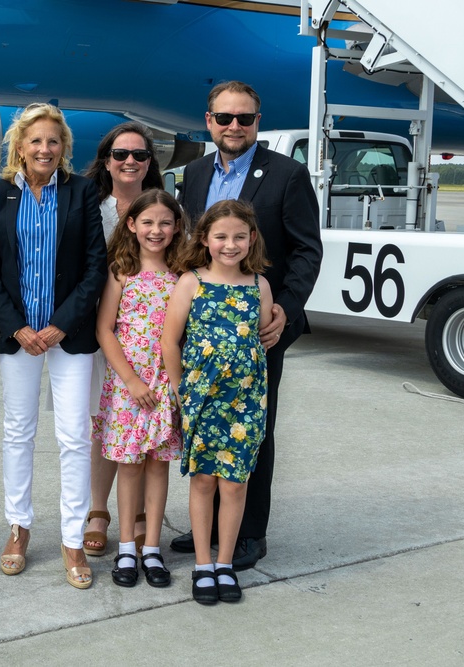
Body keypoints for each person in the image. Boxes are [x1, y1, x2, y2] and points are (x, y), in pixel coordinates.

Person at [169, 81, 322, 570]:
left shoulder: (288, 174)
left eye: (245, 118)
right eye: (225, 117)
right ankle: (208, 529)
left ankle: (250, 532)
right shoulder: (193, 173)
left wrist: (286, 310)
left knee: (252, 432)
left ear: (258, 121)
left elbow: (306, 250)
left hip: (258, 327)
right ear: (209, 120)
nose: (235, 126)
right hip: (203, 326)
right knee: (204, 430)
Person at [0, 102, 107, 589]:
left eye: (53, 141)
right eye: (36, 141)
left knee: (74, 435)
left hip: (67, 335)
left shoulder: (81, 192)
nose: (45, 149)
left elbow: (96, 266)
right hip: (18, 337)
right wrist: (18, 327)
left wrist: (58, 326)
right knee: (18, 432)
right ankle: (19, 527)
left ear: (64, 147)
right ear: (20, 146)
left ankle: (73, 539)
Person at [163, 199, 273, 603]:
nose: (230, 244)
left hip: (245, 402)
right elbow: (169, 341)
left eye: (239, 237)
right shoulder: (191, 281)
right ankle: (203, 565)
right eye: (221, 236)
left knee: (234, 484)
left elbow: (261, 336)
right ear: (205, 239)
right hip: (202, 400)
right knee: (204, 480)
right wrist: (180, 390)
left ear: (252, 239)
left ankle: (225, 564)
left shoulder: (259, 285)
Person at [80, 122, 164, 558]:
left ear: (151, 161)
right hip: (97, 330)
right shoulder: (89, 205)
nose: (130, 161)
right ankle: (98, 511)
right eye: (120, 154)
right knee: (103, 422)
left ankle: (139, 512)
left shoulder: (165, 210)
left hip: (147, 336)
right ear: (106, 160)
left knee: (145, 420)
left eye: (140, 154)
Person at [93, 189, 184, 588]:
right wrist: (130, 380)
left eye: (165, 222)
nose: (156, 230)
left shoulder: (183, 275)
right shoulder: (121, 271)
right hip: (129, 385)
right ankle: (127, 545)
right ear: (131, 225)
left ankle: (152, 548)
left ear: (177, 227)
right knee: (129, 464)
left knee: (157, 464)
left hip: (165, 385)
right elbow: (104, 329)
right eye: (147, 222)